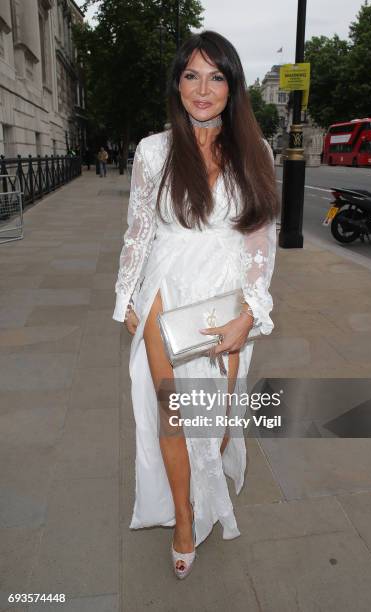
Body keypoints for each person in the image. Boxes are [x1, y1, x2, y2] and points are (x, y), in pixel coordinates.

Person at [112, 30, 279, 579]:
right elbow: (139, 230)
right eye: (191, 75)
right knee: (173, 415)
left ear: (232, 87)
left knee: (219, 418)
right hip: (166, 290)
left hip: (224, 294)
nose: (202, 89)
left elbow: (260, 239)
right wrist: (126, 295)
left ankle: (208, 490)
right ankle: (183, 518)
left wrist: (251, 311)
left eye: (216, 77)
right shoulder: (153, 151)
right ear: (177, 84)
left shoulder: (256, 151)